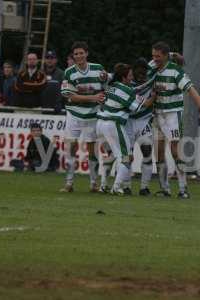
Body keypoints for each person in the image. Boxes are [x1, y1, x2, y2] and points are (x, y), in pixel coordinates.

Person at [151, 41, 200, 199]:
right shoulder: (152, 67)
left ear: (165, 56)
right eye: (153, 56)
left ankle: (183, 189)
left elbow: (191, 90)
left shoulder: (176, 72)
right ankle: (165, 189)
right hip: (157, 114)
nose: (155, 59)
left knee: (174, 151)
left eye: (158, 56)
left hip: (172, 115)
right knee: (158, 152)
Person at [97, 63, 153, 195]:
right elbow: (141, 106)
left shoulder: (110, 86)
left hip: (100, 124)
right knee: (126, 157)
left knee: (111, 156)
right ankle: (116, 188)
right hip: (113, 124)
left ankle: (103, 185)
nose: (132, 78)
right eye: (130, 75)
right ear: (123, 77)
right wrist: (154, 96)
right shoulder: (127, 90)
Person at [60, 41, 108, 192]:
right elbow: (69, 96)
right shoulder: (69, 72)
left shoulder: (98, 69)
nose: (79, 56)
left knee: (92, 150)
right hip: (74, 115)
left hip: (93, 116)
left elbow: (107, 89)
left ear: (87, 53)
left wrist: (102, 98)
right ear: (73, 56)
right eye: (76, 54)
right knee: (71, 149)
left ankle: (94, 184)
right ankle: (69, 183)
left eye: (81, 53)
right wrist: (93, 98)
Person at [123, 57, 156, 196]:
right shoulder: (126, 82)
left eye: (144, 71)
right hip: (128, 122)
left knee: (147, 153)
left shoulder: (152, 77)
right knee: (126, 156)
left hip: (144, 121)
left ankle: (144, 187)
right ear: (133, 71)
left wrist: (173, 55)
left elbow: (158, 60)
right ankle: (125, 186)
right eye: (139, 71)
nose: (142, 74)